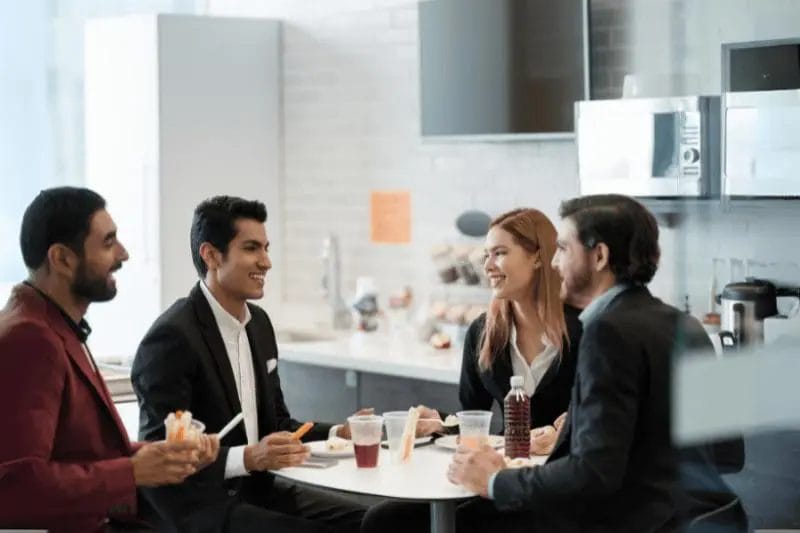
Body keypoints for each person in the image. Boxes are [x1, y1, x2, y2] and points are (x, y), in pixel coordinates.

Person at [447, 194, 745, 532]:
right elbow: (728, 454)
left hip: (618, 523)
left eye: (563, 249)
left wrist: (496, 481)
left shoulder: (606, 332)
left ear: (599, 256)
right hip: (691, 519)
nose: (555, 263)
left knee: (397, 521)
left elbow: (593, 473)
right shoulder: (684, 324)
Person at [131, 195, 366, 533]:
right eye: (252, 248)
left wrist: (338, 432)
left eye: (266, 248)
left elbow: (279, 423)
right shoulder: (172, 338)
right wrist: (249, 457)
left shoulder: (258, 324)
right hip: (199, 507)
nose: (266, 262)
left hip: (260, 492)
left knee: (376, 521)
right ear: (211, 255)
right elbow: (161, 457)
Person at [0, 187, 216, 533]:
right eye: (107, 242)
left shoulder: (52, 325)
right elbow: (15, 487)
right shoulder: (29, 338)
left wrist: (164, 457)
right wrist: (133, 471)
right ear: (62, 259)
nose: (124, 254)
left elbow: (78, 454)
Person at [363, 207, 582, 533]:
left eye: (500, 253)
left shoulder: (584, 331)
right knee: (383, 520)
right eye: (486, 255)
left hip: (560, 490)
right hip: (502, 481)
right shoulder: (483, 332)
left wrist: (563, 434)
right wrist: (440, 423)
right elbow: (473, 420)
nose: (488, 265)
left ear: (538, 257)